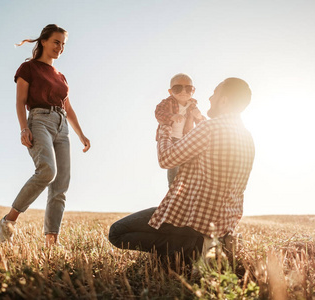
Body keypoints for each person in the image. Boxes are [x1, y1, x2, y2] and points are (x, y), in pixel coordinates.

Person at [109, 78, 255, 264]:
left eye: (214, 94)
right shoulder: (247, 137)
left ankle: (196, 248)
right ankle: (217, 243)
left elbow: (166, 159)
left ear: (224, 100)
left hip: (195, 222)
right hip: (222, 223)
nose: (209, 98)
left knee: (117, 232)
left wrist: (165, 126)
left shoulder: (210, 128)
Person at [0, 24, 91, 246]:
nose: (60, 47)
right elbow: (20, 102)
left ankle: (52, 240)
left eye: (63, 44)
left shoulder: (61, 76)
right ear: (43, 42)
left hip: (62, 127)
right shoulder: (28, 68)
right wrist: (23, 128)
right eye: (56, 42)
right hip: (39, 120)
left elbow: (68, 109)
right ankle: (9, 221)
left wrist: (81, 134)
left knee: (61, 183)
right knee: (47, 170)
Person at [155, 73, 205, 187]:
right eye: (178, 88)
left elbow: (203, 125)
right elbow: (158, 112)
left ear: (193, 91)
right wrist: (172, 116)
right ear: (170, 91)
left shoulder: (192, 106)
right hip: (170, 139)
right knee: (173, 164)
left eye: (188, 88)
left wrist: (199, 117)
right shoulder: (167, 102)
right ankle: (172, 187)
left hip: (184, 139)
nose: (183, 92)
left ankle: (187, 188)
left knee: (189, 165)